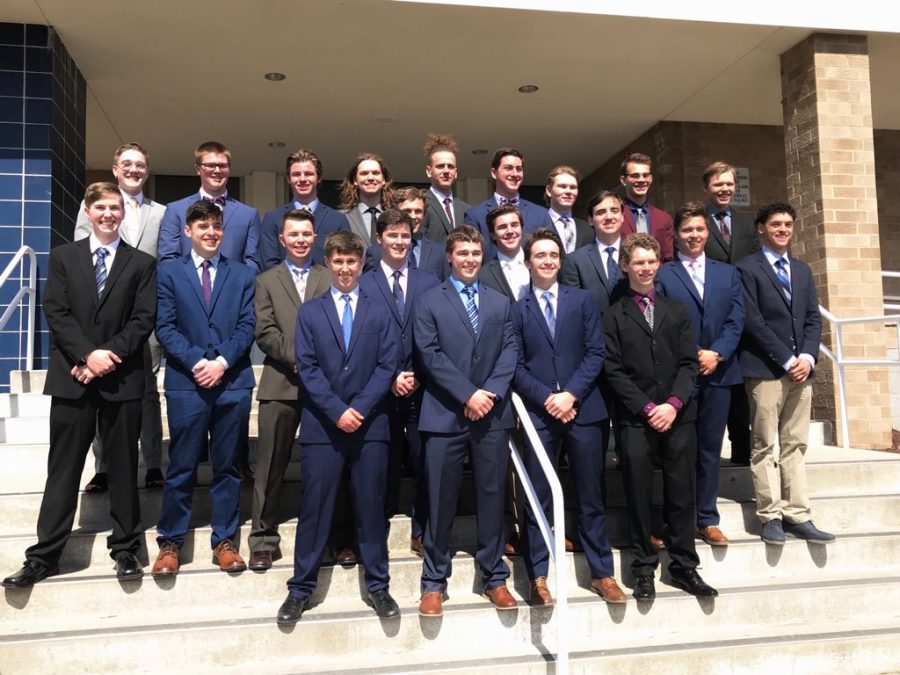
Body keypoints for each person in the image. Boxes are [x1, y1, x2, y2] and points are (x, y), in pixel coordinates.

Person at [2, 182, 156, 588]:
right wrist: (87, 356)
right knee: (64, 469)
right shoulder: (63, 257)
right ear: (88, 212)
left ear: (124, 213)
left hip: (121, 380)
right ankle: (44, 555)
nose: (108, 214)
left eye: (115, 207)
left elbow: (142, 320)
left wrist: (105, 358)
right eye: (101, 207)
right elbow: (56, 311)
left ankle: (126, 549)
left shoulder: (140, 263)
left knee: (123, 468)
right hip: (73, 379)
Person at [277, 230, 400, 624]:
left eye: (352, 261)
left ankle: (378, 586)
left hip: (370, 426)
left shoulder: (380, 312)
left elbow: (387, 366)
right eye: (338, 261)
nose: (345, 269)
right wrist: (337, 410)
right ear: (327, 263)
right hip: (323, 428)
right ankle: (300, 588)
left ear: (362, 263)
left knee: (371, 507)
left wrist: (359, 408)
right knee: (314, 508)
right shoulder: (310, 313)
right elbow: (308, 369)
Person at [512, 228, 626, 606]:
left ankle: (602, 573)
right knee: (538, 496)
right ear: (528, 262)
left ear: (560, 260)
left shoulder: (583, 300)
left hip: (584, 410)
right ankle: (539, 576)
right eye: (540, 255)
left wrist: (570, 394)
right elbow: (516, 365)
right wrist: (548, 398)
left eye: (553, 255)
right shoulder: (518, 307)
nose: (547, 261)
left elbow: (597, 353)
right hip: (539, 414)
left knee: (591, 494)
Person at [602, 233, 718, 600]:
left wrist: (672, 403)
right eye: (638, 262)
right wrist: (648, 407)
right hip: (636, 419)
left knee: (681, 492)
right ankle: (643, 570)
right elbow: (612, 369)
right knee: (638, 493)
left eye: (651, 261)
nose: (646, 268)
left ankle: (684, 566)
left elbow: (688, 363)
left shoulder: (676, 310)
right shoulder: (613, 314)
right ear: (625, 266)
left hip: (678, 415)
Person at [414, 225, 518, 617]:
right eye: (463, 253)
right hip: (444, 413)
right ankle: (433, 583)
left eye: (476, 252)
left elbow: (510, 350)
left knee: (492, 496)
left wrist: (487, 393)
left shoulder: (499, 302)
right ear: (449, 256)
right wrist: (467, 394)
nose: (470, 259)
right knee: (440, 502)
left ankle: (494, 577)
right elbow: (430, 353)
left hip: (491, 415)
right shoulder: (428, 301)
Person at [152, 199, 256, 576]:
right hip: (187, 382)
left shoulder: (242, 274)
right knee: (181, 465)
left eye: (216, 226)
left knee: (227, 467)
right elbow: (164, 326)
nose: (210, 232)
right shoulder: (169, 273)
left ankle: (225, 540)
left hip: (232, 383)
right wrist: (199, 362)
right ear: (188, 231)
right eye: (202, 226)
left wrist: (222, 362)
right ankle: (170, 542)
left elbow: (248, 327)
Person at [737, 202, 835, 546]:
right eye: (776, 224)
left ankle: (798, 514)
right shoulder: (747, 269)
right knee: (765, 444)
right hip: (765, 370)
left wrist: (808, 356)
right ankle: (770, 515)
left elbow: (812, 318)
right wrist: (786, 358)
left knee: (795, 443)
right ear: (761, 228)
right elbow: (752, 322)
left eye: (788, 224)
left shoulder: (803, 270)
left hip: (801, 372)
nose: (783, 229)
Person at [73, 143, 166, 492]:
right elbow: (83, 257)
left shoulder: (161, 212)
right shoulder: (95, 209)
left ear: (147, 171)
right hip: (104, 318)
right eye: (127, 164)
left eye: (140, 165)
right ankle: (104, 467)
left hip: (145, 317)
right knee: (104, 389)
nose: (134, 169)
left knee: (147, 394)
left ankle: (154, 464)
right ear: (115, 169)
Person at [656, 202, 745, 547]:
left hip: (719, 374)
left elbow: (737, 320)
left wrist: (718, 353)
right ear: (676, 235)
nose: (694, 235)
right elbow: (661, 324)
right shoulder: (664, 274)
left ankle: (707, 518)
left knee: (709, 448)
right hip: (680, 375)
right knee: (676, 450)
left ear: (708, 233)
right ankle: (675, 518)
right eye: (687, 230)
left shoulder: (729, 273)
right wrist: (691, 356)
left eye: (700, 229)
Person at [248, 209, 331, 571]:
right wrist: (299, 357)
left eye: (306, 234)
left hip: (325, 387)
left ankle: (328, 537)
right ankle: (263, 538)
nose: (300, 240)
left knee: (326, 467)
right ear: (282, 239)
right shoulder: (266, 280)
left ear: (315, 239)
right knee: (269, 465)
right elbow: (264, 331)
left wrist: (314, 363)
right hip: (280, 381)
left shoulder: (330, 277)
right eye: (293, 234)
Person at [359, 209, 440, 555]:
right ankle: (379, 529)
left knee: (424, 462)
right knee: (382, 464)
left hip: (423, 390)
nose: (399, 242)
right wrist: (390, 376)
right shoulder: (364, 283)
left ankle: (421, 531)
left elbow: (439, 335)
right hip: (380, 391)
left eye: (405, 236)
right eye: (392, 235)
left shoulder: (429, 282)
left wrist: (418, 375)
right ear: (379, 239)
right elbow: (362, 340)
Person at [702, 161, 760, 465]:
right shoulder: (697, 221)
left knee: (740, 388)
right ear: (707, 187)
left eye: (729, 184)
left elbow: (753, 264)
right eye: (717, 184)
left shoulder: (746, 224)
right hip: (709, 312)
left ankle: (741, 448)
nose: (724, 189)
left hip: (743, 312)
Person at [157, 141, 261, 272]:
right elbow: (168, 258)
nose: (217, 170)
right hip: (186, 289)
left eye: (223, 166)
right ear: (198, 169)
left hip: (233, 290)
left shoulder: (248, 215)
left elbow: (253, 262)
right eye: (211, 165)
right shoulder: (176, 210)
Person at [257, 148, 352, 271]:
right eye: (296, 174)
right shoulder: (272, 219)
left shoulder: (337, 220)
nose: (302, 179)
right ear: (288, 179)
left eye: (308, 174)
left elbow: (344, 260)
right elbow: (269, 263)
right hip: (283, 289)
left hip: (326, 288)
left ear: (319, 178)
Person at [465, 148, 545, 259]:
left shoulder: (541, 214)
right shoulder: (475, 215)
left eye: (519, 169)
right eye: (508, 168)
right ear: (494, 173)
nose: (515, 174)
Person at [365, 187, 450, 280]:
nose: (413, 216)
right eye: (407, 211)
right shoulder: (376, 253)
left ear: (424, 214)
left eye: (418, 211)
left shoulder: (439, 252)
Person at [619, 152, 675, 262]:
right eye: (635, 175)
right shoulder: (614, 216)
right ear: (623, 180)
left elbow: (668, 258)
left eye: (645, 175)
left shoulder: (664, 218)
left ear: (651, 179)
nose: (641, 180)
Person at [421, 133, 470, 245]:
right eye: (440, 166)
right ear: (429, 171)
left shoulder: (467, 210)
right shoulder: (420, 205)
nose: (446, 171)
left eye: (451, 166)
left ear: (456, 173)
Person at [338, 153, 394, 249]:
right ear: (355, 180)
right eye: (364, 173)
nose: (371, 178)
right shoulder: (341, 218)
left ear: (383, 179)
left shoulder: (396, 217)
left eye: (375, 173)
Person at [479, 204, 530, 301]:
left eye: (514, 225)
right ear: (493, 234)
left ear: (521, 229)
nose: (510, 231)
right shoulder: (483, 275)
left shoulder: (540, 263)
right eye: (502, 227)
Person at [540, 165, 593, 254]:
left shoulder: (588, 229)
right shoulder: (537, 224)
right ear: (549, 191)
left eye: (573, 187)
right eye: (562, 186)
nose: (568, 191)